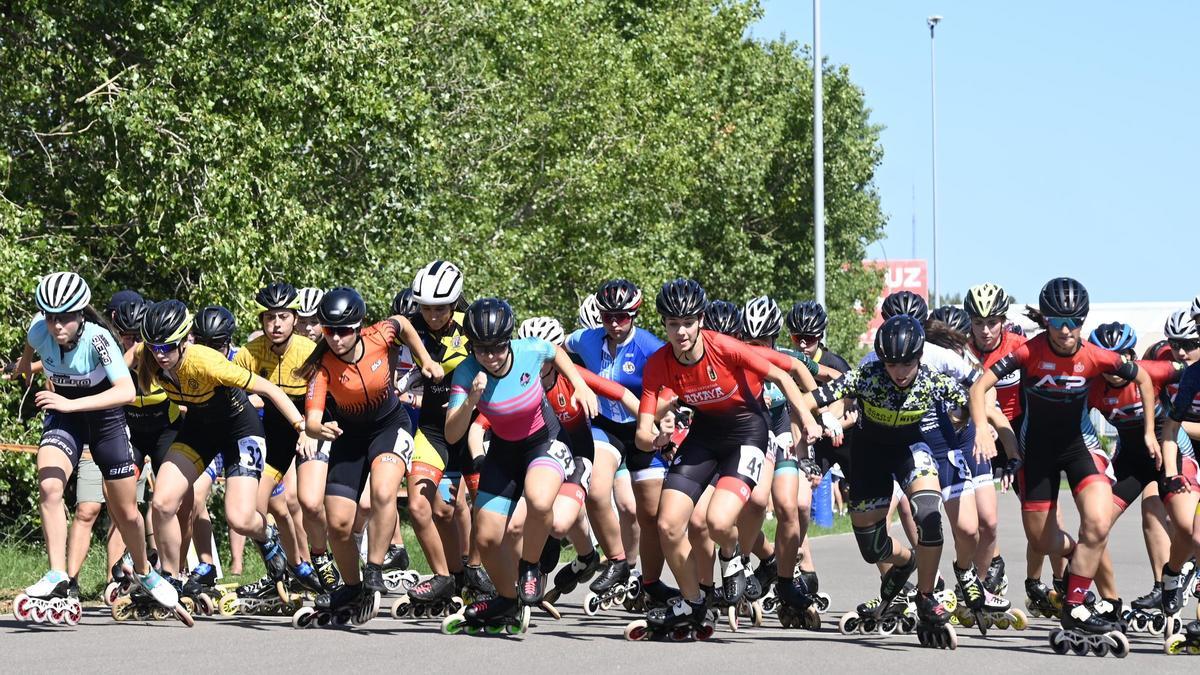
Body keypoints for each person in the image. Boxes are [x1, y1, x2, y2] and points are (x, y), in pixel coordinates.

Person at [970, 277, 1156, 656]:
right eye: (1057, 322)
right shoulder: (1027, 351)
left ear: (1083, 321)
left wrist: (1151, 433)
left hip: (1078, 449)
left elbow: (1145, 379)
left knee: (1099, 522)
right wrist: (980, 430)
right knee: (1041, 541)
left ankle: (1074, 603)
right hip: (1035, 453)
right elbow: (978, 388)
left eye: (1074, 322)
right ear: (1047, 323)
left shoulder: (1094, 355)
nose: (1066, 330)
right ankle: (1077, 561)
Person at [631, 279, 820, 636]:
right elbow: (642, 430)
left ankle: (733, 557)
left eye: (687, 322)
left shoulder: (725, 347)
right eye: (673, 324)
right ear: (665, 325)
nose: (681, 332)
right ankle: (693, 603)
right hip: (704, 436)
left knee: (718, 522)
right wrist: (655, 438)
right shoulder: (659, 363)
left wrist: (809, 418)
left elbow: (782, 373)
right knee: (668, 523)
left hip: (746, 432)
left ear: (700, 319)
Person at [11, 273, 178, 625]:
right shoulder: (40, 329)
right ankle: (58, 573)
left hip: (105, 421)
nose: (57, 326)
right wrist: (24, 367)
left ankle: (145, 571)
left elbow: (125, 392)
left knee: (127, 511)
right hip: (64, 418)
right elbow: (30, 346)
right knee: (49, 486)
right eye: (51, 316)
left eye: (65, 317)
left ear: (81, 314)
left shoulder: (100, 339)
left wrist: (70, 404)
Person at [444, 298, 597, 631]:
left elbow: (555, 352)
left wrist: (581, 385)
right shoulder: (467, 372)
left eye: (497, 348)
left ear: (508, 340)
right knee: (485, 538)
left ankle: (530, 566)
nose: (491, 357)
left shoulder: (529, 349)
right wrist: (471, 399)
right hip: (503, 451)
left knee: (540, 500)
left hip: (545, 440)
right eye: (482, 350)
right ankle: (506, 601)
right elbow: (452, 434)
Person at [136, 299, 301, 605]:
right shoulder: (147, 355)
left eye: (168, 348)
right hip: (200, 430)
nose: (160, 356)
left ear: (186, 340)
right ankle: (170, 579)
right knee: (161, 503)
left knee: (239, 518)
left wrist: (301, 426)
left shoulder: (207, 362)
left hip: (240, 431)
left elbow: (269, 389)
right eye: (154, 347)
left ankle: (268, 535)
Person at [811, 315, 961, 648]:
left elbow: (972, 402)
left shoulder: (934, 381)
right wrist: (818, 419)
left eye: (907, 363)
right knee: (872, 549)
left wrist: (970, 426)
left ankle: (925, 596)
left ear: (919, 357)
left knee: (929, 517)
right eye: (892, 363)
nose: (900, 371)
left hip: (910, 449)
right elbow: (811, 400)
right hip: (869, 458)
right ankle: (907, 561)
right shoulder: (865, 376)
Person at [298, 287, 443, 624]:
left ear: (359, 326)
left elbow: (405, 325)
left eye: (344, 331)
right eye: (329, 330)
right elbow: (313, 419)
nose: (336, 338)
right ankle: (351, 587)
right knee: (337, 523)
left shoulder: (380, 334)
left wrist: (426, 360)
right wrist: (320, 430)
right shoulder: (322, 367)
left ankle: (375, 568)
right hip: (348, 437)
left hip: (390, 425)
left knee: (382, 492)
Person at [564, 280, 670, 602]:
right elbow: (555, 349)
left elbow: (674, 384)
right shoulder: (586, 339)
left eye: (622, 317)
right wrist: (574, 382)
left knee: (647, 515)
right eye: (608, 316)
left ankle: (647, 580)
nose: (614, 323)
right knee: (596, 492)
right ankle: (617, 561)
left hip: (641, 427)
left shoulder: (650, 347)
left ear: (634, 315)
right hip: (604, 425)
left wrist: (662, 414)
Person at [1085, 321, 1188, 630]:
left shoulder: (1153, 370)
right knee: (1095, 526)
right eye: (1108, 358)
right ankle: (1112, 602)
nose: (1116, 366)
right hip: (1130, 461)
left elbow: (1191, 369)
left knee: (1177, 523)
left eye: (1123, 356)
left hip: (1169, 453)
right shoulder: (1093, 386)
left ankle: (1172, 579)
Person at [235, 282, 321, 591]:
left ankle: (322, 566)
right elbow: (229, 391)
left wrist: (309, 429)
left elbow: (323, 396)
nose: (276, 324)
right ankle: (289, 568)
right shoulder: (251, 352)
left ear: (295, 319)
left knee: (308, 503)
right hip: (275, 434)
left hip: (308, 428)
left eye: (283, 316)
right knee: (259, 506)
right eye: (269, 317)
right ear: (261, 321)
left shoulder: (309, 351)